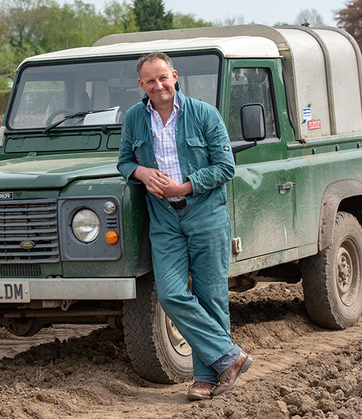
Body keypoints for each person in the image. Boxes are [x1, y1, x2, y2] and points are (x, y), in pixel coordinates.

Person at [116, 51, 252, 401]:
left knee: (211, 298)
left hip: (205, 213)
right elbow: (123, 161)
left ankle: (205, 379)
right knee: (173, 294)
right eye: (150, 81)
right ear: (141, 85)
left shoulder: (204, 114)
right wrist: (140, 171)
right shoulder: (135, 118)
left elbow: (225, 167)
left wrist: (186, 186)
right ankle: (229, 356)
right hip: (164, 219)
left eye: (163, 78)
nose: (158, 85)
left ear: (174, 76)